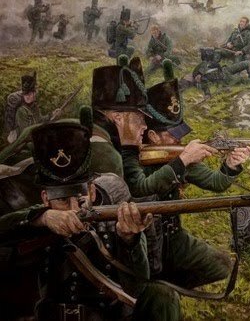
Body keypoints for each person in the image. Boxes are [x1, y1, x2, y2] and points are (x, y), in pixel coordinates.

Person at [0, 120, 180, 320]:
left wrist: (130, 240)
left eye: (80, 199)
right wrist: (43, 218)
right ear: (45, 199)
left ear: (92, 192)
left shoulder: (112, 215)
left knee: (162, 295)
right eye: (62, 201)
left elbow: (137, 285)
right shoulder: (37, 219)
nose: (73, 209)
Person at [130, 60, 250, 289]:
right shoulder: (131, 159)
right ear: (153, 137)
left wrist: (231, 164)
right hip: (142, 240)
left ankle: (170, 286)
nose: (180, 139)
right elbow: (141, 189)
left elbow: (216, 182)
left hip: (174, 235)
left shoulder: (181, 155)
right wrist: (183, 160)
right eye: (173, 135)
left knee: (220, 266)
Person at [13, 72, 60, 136]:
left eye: (30, 94)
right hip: (26, 139)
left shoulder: (35, 107)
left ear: (34, 94)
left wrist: (52, 114)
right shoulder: (21, 111)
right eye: (25, 94)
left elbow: (40, 120)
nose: (27, 97)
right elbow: (25, 132)